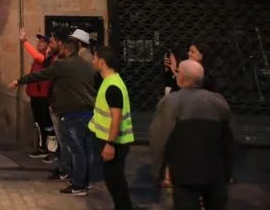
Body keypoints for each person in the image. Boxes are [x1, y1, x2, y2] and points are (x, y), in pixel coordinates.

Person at [10, 37, 97, 196]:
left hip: (72, 113)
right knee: (86, 149)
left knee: (75, 150)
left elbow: (40, 75)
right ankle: (87, 181)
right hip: (88, 111)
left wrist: (18, 81)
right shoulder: (86, 65)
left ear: (66, 49)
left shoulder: (63, 65)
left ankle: (78, 185)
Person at [150, 60, 234, 210]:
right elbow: (229, 140)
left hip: (185, 174)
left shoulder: (172, 102)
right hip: (215, 172)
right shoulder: (218, 101)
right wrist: (227, 171)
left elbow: (159, 139)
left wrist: (158, 171)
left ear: (181, 78)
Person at [89, 46, 135, 210]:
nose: (92, 61)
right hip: (111, 140)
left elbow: (116, 118)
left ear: (102, 62)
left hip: (115, 143)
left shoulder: (112, 86)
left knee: (116, 182)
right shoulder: (110, 81)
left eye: (94, 58)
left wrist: (110, 144)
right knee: (114, 181)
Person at [20, 29, 55, 158]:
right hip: (35, 94)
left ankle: (51, 150)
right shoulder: (40, 56)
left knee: (47, 124)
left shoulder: (46, 56)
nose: (40, 43)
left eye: (43, 41)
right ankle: (42, 147)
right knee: (39, 123)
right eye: (39, 40)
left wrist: (25, 42)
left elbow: (37, 56)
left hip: (42, 95)